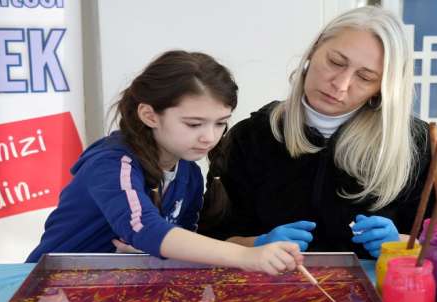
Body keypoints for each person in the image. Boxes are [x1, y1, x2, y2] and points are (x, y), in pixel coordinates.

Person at [200, 6, 437, 259]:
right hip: (269, 298)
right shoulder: (251, 137)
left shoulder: (419, 148)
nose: (340, 84)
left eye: (365, 77)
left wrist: (406, 245)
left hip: (382, 297)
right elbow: (209, 240)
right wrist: (255, 245)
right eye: (336, 62)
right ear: (314, 51)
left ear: (382, 88)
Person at [26, 50, 303, 276]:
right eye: (194, 124)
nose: (209, 137)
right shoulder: (113, 163)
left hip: (116, 285)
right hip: (51, 286)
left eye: (220, 123)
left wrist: (256, 243)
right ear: (149, 115)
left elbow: (185, 243)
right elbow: (147, 229)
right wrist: (246, 255)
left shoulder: (189, 174)